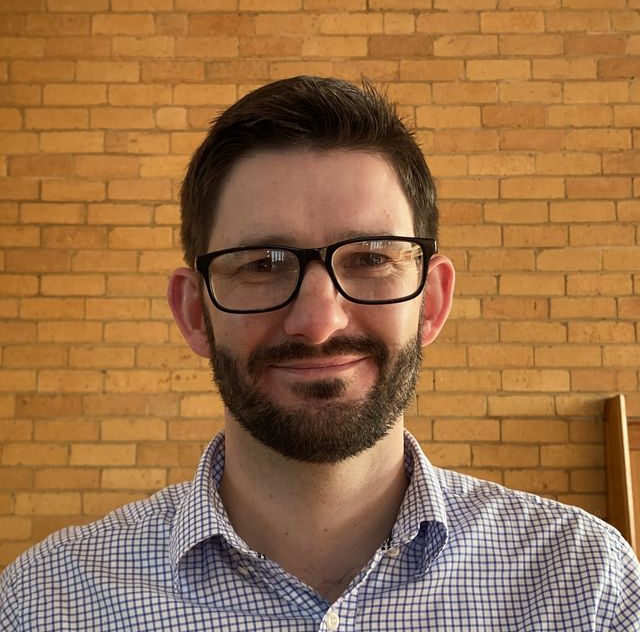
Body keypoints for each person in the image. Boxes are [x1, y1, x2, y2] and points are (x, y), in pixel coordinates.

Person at [1, 76, 638, 631]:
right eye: (262, 264)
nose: (318, 323)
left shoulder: (586, 588)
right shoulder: (45, 604)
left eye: (371, 259)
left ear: (432, 301)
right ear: (195, 312)